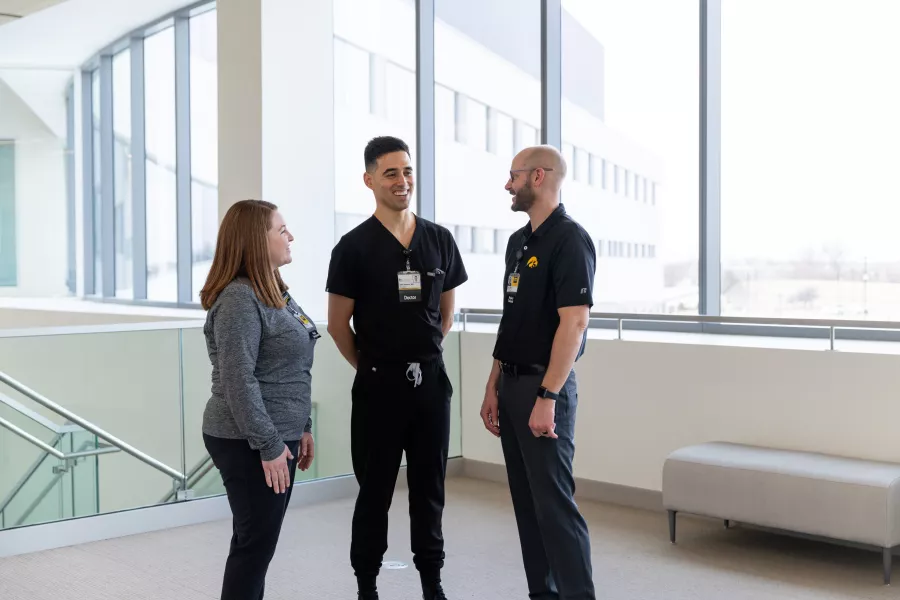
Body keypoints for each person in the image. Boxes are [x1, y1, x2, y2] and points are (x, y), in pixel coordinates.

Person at [326, 136, 467, 600]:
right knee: (375, 492)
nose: (402, 181)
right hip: (378, 389)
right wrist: (372, 366)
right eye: (391, 173)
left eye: (407, 171)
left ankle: (432, 580)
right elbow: (337, 324)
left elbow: (444, 316)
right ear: (369, 180)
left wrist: (420, 357)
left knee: (430, 489)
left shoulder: (439, 239)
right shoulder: (353, 247)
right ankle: (367, 584)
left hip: (430, 387)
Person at [480, 145, 597, 600]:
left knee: (554, 507)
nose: (507, 185)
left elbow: (575, 322)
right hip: (511, 383)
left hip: (543, 387)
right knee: (527, 505)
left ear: (538, 176)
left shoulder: (570, 239)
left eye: (513, 176)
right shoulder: (518, 241)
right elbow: (511, 321)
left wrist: (548, 396)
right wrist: (493, 384)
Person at [199, 199, 318, 600]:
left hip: (274, 433)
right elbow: (238, 379)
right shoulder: (238, 299)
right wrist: (269, 444)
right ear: (255, 239)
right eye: (281, 230)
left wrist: (302, 427)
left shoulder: (274, 291)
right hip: (246, 437)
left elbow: (290, 369)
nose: (290, 237)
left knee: (256, 543)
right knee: (254, 547)